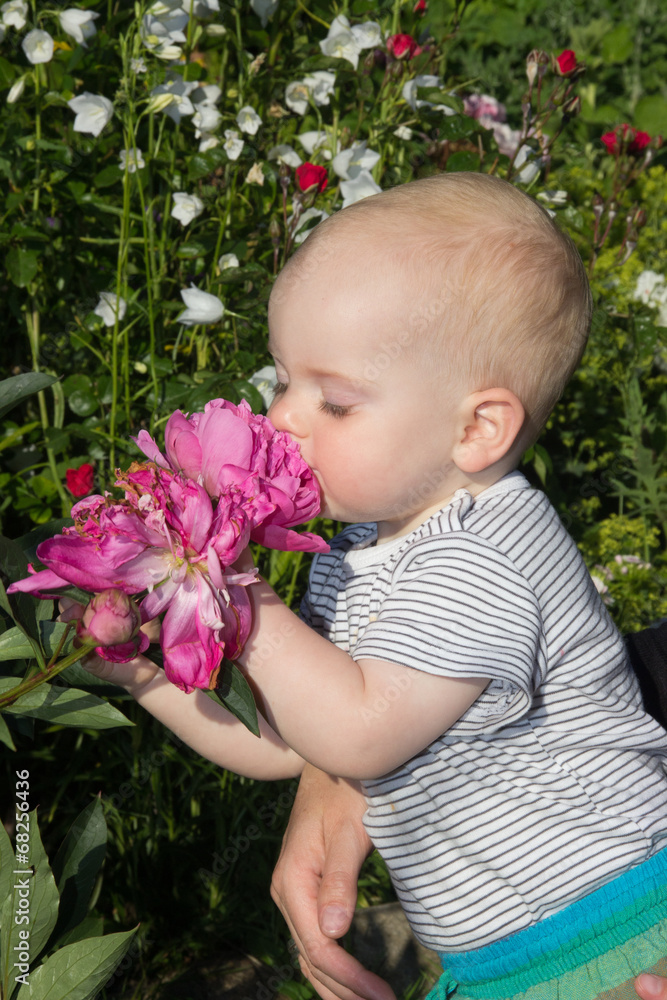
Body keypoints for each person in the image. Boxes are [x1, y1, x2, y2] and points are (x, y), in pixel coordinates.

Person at [74, 173, 667, 999]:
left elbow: (357, 736)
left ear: (476, 429)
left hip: (612, 936)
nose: (281, 418)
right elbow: (287, 743)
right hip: (511, 958)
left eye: (337, 402)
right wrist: (140, 672)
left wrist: (230, 582)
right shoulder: (360, 548)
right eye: (284, 378)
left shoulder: (484, 557)